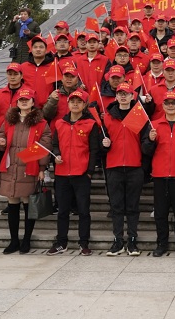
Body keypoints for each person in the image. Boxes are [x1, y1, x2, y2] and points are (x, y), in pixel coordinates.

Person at [0, 88, 52, 254]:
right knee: (12, 203)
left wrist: (42, 168)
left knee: (28, 204)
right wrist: (0, 142)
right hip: (11, 167)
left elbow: (44, 147)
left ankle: (26, 239)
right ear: (16, 103)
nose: (24, 102)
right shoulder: (9, 121)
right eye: (21, 99)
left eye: (27, 99)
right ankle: (13, 241)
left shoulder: (41, 124)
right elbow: (0, 141)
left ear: (33, 102)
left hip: (29, 167)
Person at [46, 89, 103, 256]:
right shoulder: (59, 124)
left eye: (79, 101)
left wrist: (90, 171)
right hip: (62, 174)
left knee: (84, 211)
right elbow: (55, 144)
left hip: (82, 174)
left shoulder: (90, 124)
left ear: (84, 105)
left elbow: (94, 150)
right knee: (63, 210)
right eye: (72, 101)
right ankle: (61, 242)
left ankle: (83, 243)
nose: (75, 104)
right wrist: (56, 155)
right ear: (68, 104)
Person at [142, 91, 175, 257]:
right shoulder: (154, 125)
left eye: (174, 103)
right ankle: (162, 244)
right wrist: (150, 140)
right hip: (160, 175)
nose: (171, 106)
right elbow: (146, 151)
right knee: (160, 213)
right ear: (163, 106)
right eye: (167, 103)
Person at [101, 83, 145, 256]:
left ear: (132, 96)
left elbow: (146, 144)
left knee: (133, 206)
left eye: (126, 93)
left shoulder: (139, 115)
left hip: (135, 166)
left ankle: (132, 240)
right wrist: (104, 145)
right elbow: (101, 142)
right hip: (114, 166)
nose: (123, 96)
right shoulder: (108, 117)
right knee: (117, 206)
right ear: (116, 96)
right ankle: (118, 240)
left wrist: (150, 140)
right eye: (120, 93)